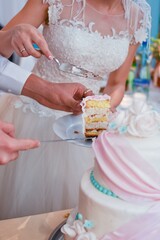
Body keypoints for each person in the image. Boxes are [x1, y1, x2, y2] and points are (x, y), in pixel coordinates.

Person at [0, 0, 151, 219]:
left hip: (85, 131)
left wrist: (100, 108)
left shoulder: (137, 16)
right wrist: (12, 35)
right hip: (32, 119)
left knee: (79, 219)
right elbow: (1, 50)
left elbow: (117, 84)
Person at [0, 24, 92, 165]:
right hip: (31, 118)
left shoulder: (136, 19)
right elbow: (4, 47)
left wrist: (47, 90)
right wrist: (9, 36)